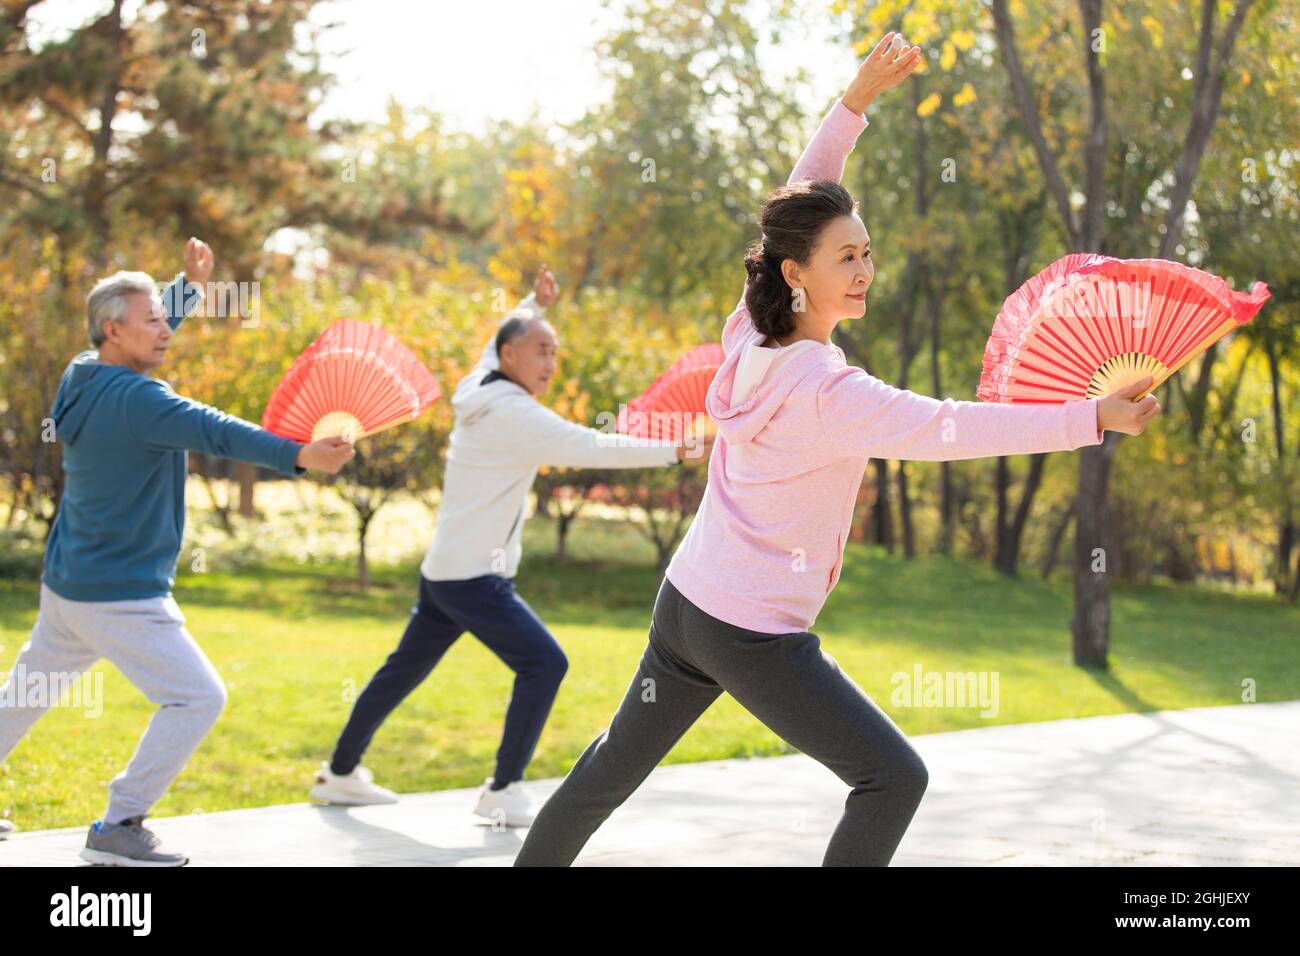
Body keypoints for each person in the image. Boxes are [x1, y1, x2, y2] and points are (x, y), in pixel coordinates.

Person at [513, 31, 1162, 867]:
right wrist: (1089, 417)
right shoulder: (829, 392)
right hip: (748, 630)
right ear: (797, 274)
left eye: (866, 255)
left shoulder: (748, 333)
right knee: (893, 777)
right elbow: (949, 427)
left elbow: (798, 198)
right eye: (846, 258)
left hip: (687, 606)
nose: (863, 271)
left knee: (606, 773)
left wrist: (855, 103)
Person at [310, 265, 712, 825]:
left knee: (402, 670)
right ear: (510, 356)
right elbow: (591, 446)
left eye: (554, 353)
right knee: (545, 663)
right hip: (473, 576)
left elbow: (492, 343)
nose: (551, 363)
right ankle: (502, 789)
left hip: (447, 569)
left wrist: (534, 305)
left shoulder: (479, 386)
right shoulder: (515, 414)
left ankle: (340, 773)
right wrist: (675, 449)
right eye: (541, 351)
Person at [0, 239, 355, 866]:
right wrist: (303, 454)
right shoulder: (143, 401)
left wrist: (184, 288)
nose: (165, 329)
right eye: (153, 321)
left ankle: (119, 819)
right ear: (114, 330)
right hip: (120, 592)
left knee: (28, 692)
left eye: (167, 316)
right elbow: (216, 428)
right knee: (197, 697)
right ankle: (120, 821)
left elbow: (141, 331)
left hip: (69, 580)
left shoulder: (82, 373)